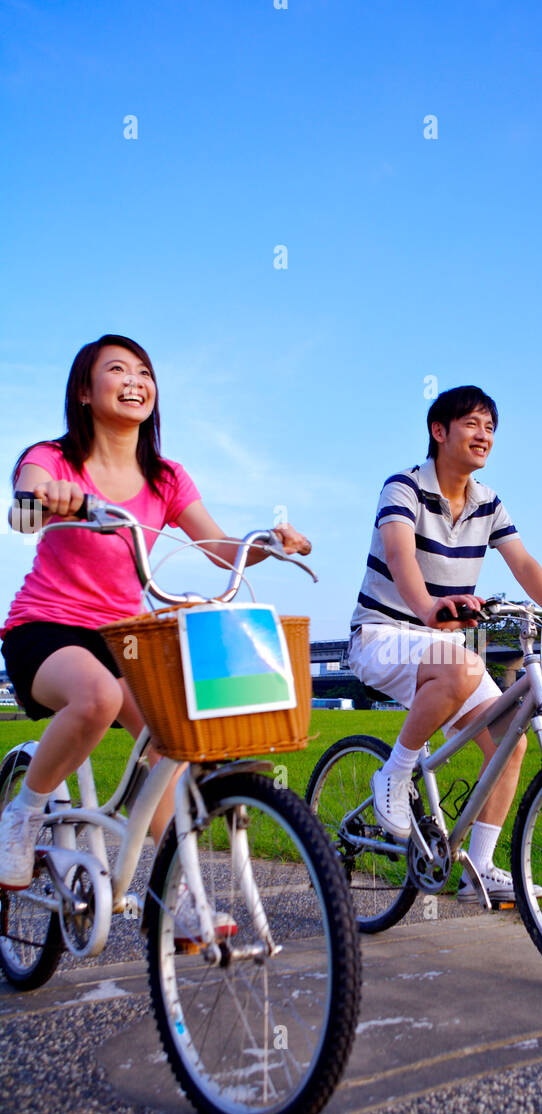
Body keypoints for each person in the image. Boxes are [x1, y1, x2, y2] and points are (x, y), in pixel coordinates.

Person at [0, 334, 310, 905]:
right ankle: (23, 812)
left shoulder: (165, 477)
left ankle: (181, 895)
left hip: (125, 638)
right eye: (117, 370)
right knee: (97, 698)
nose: (135, 381)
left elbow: (218, 547)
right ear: (84, 392)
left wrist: (271, 545)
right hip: (46, 629)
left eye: (143, 372)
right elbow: (21, 515)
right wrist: (51, 497)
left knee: (173, 741)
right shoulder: (52, 458)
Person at [347, 384, 542, 903]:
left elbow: (523, 562)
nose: (483, 434)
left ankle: (478, 868)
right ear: (439, 432)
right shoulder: (404, 487)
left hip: (442, 650)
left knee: (511, 739)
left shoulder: (489, 503)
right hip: (383, 636)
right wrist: (427, 610)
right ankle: (393, 776)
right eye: (472, 423)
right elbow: (399, 555)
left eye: (490, 426)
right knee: (460, 664)